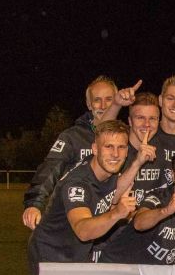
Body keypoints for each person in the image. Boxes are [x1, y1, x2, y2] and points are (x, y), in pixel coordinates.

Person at [26, 120, 139, 275]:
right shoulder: (77, 184)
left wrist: (138, 161)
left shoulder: (107, 171)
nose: (115, 154)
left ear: (127, 150)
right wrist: (116, 214)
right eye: (108, 147)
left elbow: (114, 192)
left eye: (121, 147)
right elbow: (83, 230)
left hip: (76, 252)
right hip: (51, 253)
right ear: (95, 149)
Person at [21, 76, 138, 229]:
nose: (103, 105)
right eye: (97, 100)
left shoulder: (127, 137)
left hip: (110, 222)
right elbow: (50, 168)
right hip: (73, 219)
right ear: (89, 104)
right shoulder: (72, 137)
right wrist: (34, 203)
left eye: (109, 99)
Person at [96, 148, 175, 266]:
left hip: (154, 274)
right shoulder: (159, 196)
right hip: (118, 266)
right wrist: (166, 211)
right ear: (173, 176)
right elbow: (139, 223)